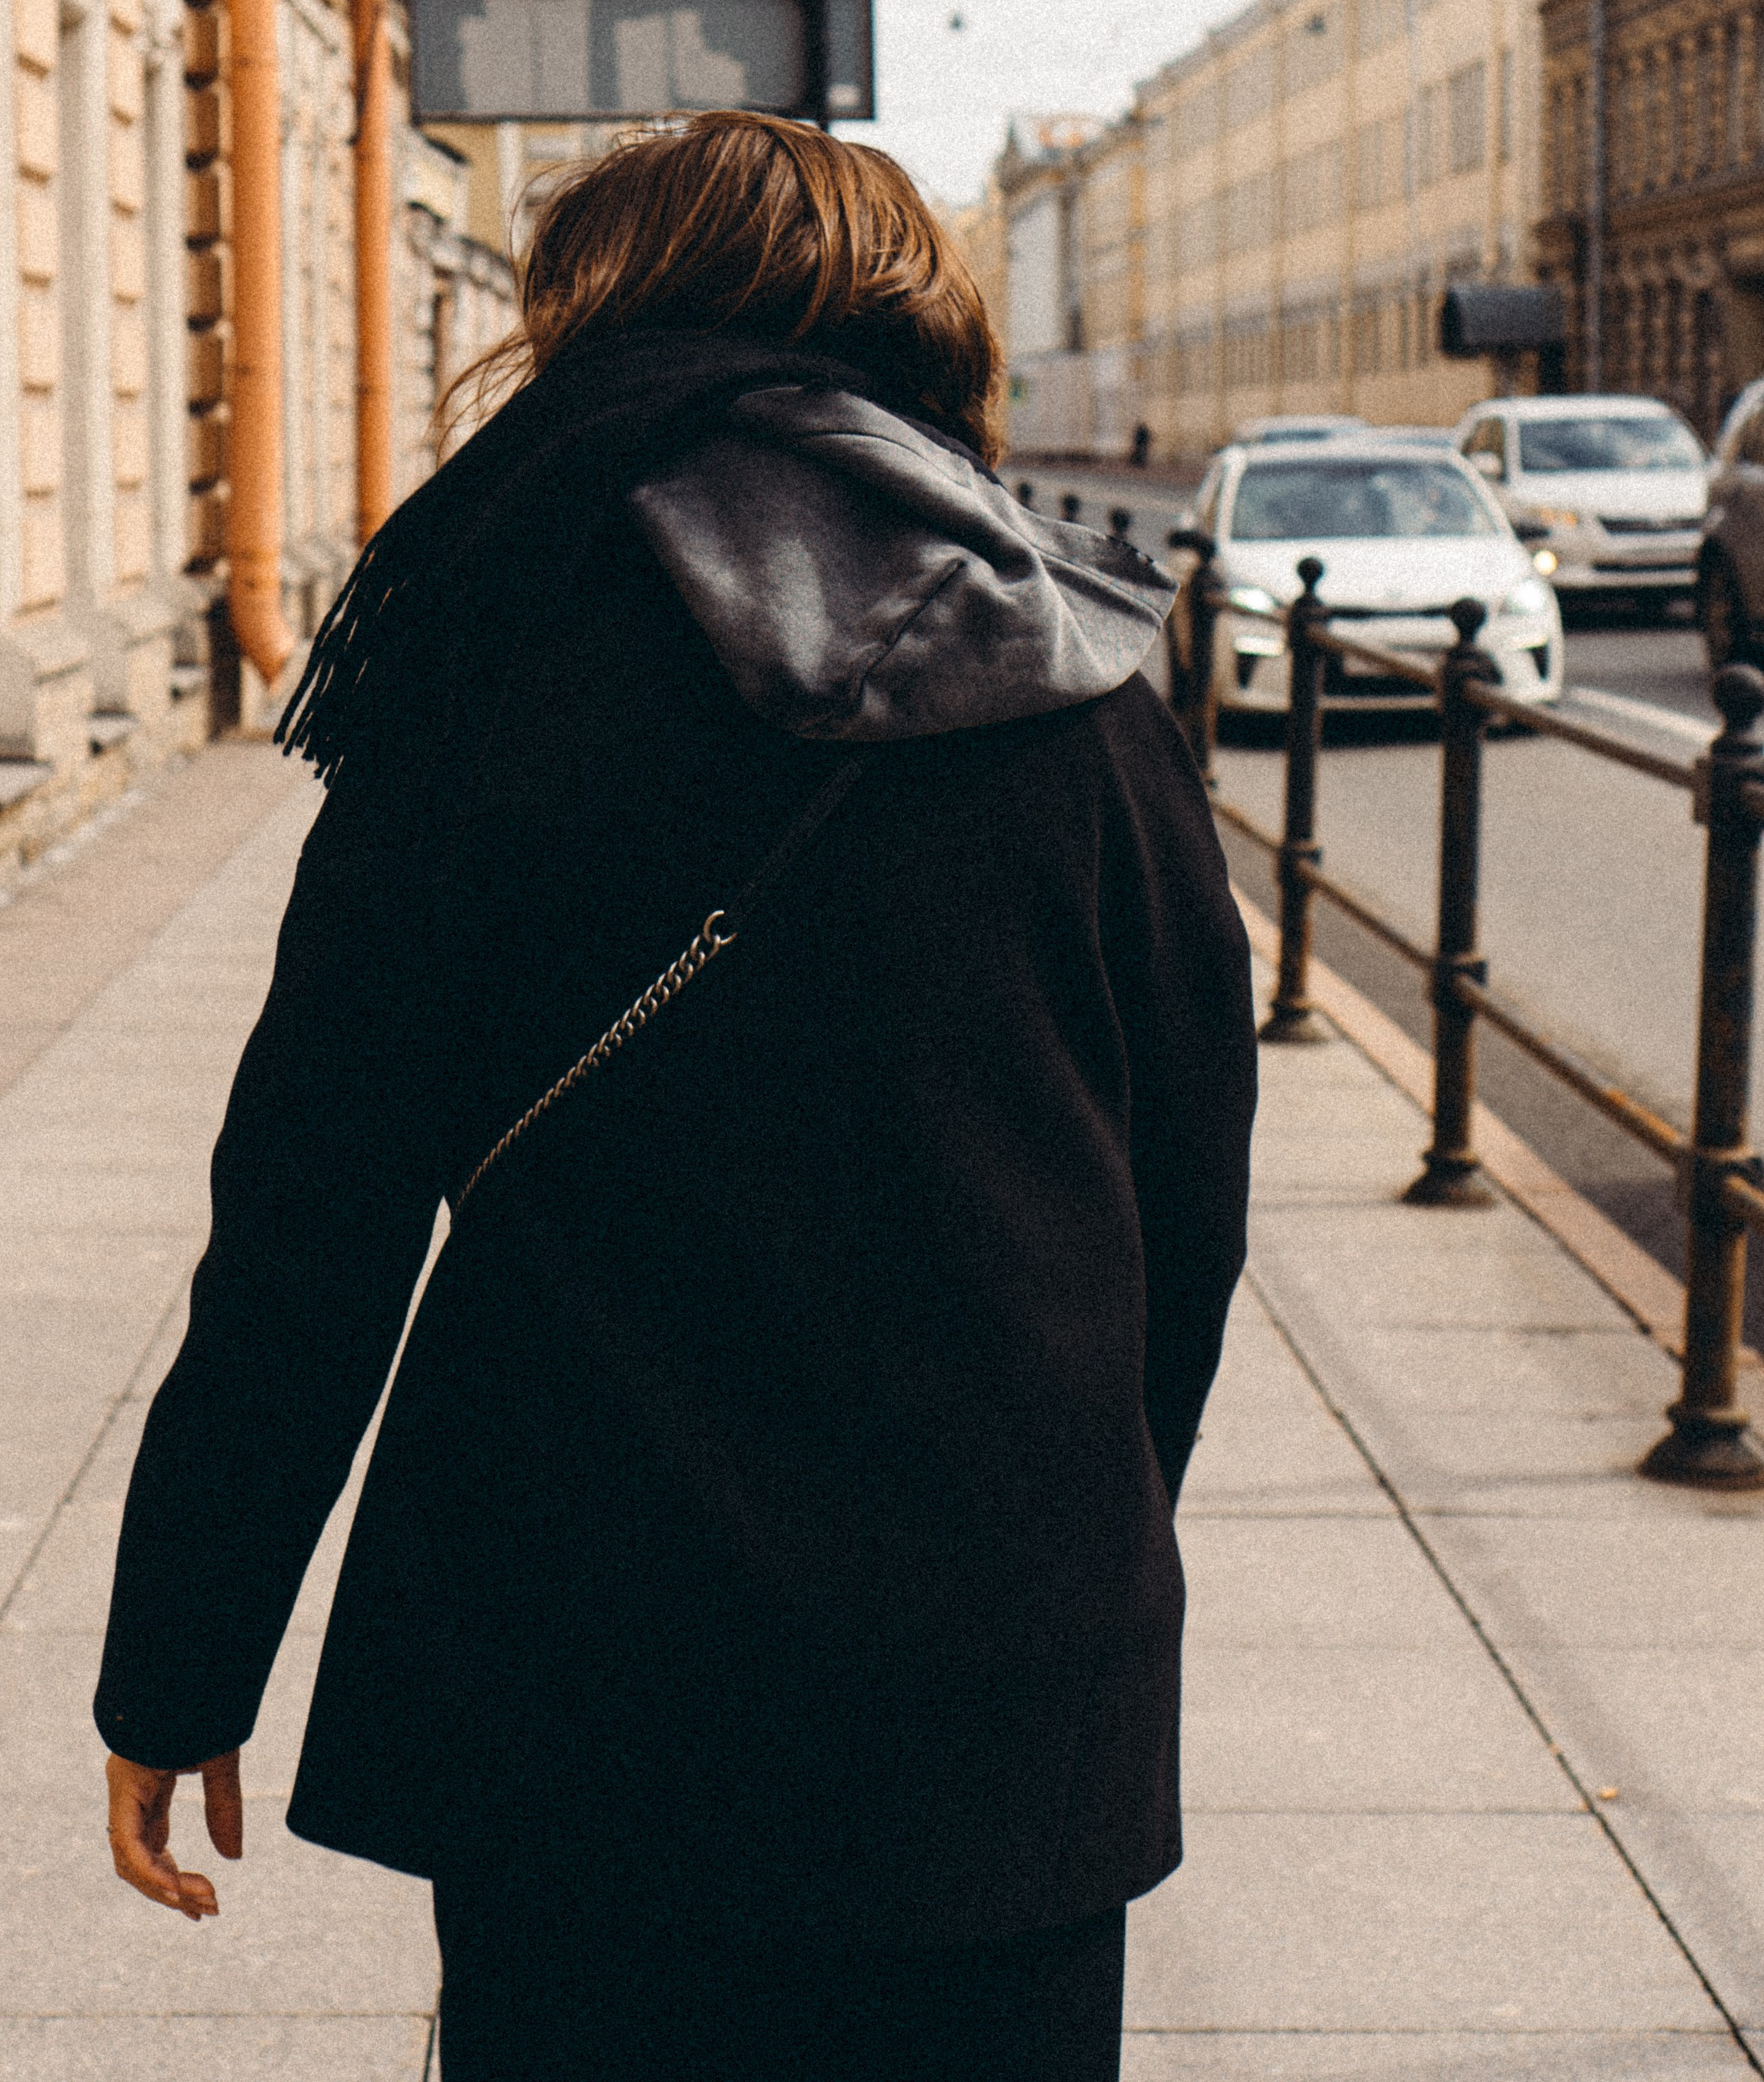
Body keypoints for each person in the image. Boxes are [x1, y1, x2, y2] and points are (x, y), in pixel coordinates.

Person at [95, 111, 1255, 2081]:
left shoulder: (484, 630)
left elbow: (312, 1207)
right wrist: (1067, 1537)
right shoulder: (1084, 681)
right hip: (995, 1691)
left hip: (579, 1652)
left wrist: (184, 1655)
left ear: (591, 324)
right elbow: (1189, 1215)